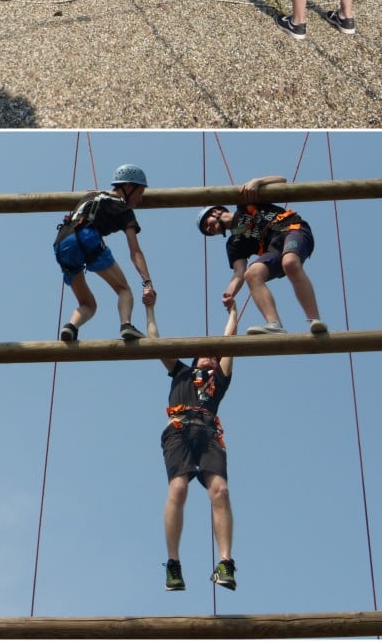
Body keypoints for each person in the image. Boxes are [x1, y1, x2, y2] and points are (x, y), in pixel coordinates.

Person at [145, 294, 237, 593]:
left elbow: (231, 340)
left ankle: (225, 562)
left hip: (208, 432)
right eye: (205, 354)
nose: (211, 356)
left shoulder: (219, 379)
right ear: (196, 359)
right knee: (179, 487)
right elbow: (155, 341)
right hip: (179, 430)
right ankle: (173, 563)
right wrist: (150, 308)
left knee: (220, 491)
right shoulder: (182, 372)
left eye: (214, 353)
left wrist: (233, 311)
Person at [197, 175, 326, 336]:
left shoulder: (245, 204)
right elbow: (239, 273)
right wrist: (229, 292)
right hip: (274, 248)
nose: (208, 230)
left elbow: (281, 180)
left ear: (215, 211)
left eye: (205, 223)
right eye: (206, 231)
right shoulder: (234, 243)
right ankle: (274, 324)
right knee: (252, 274)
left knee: (290, 263)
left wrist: (257, 182)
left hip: (292, 229)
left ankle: (315, 320)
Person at [53, 164, 156, 341]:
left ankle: (70, 327)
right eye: (140, 193)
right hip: (87, 238)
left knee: (88, 304)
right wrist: (147, 282)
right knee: (124, 289)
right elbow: (135, 251)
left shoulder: (91, 195)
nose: (140, 199)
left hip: (62, 243)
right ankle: (126, 325)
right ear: (129, 187)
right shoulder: (125, 211)